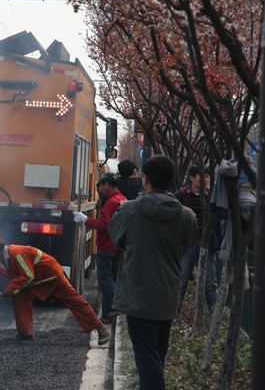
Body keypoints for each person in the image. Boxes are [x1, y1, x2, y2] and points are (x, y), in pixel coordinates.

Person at [109, 155, 198, 389]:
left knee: (147, 358)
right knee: (157, 354)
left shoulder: (129, 211)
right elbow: (186, 246)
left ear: (144, 179)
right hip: (168, 295)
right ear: (171, 180)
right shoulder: (186, 215)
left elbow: (116, 239)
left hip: (138, 295)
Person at [0, 232, 110, 345]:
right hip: (28, 281)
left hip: (50, 276)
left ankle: (101, 329)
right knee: (19, 298)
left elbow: (28, 275)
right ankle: (25, 334)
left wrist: (9, 288)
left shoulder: (17, 253)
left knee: (74, 301)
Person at [73, 172, 126, 323]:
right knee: (113, 279)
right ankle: (108, 314)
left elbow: (104, 225)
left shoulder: (110, 203)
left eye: (101, 186)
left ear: (107, 185)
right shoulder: (123, 200)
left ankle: (118, 303)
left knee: (105, 280)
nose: (100, 190)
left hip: (106, 245)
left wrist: (85, 219)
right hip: (119, 246)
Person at [174, 165, 218, 311]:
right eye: (202, 176)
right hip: (188, 245)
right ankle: (174, 316)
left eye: (207, 176)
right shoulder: (181, 195)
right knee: (181, 282)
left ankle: (214, 317)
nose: (206, 179)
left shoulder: (212, 195)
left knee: (210, 283)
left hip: (207, 243)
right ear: (192, 178)